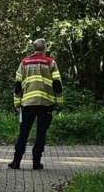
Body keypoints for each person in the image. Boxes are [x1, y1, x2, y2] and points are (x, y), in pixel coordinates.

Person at [10, 39, 64, 170]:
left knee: (24, 131)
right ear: (45, 49)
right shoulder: (50, 62)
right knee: (41, 132)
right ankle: (36, 162)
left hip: (27, 103)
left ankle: (16, 161)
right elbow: (57, 84)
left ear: (33, 49)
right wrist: (59, 102)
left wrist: (17, 103)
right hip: (45, 103)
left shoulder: (24, 63)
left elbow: (18, 85)